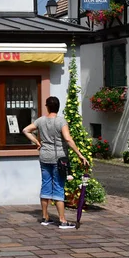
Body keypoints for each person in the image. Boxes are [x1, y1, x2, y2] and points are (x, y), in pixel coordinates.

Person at [22, 96, 89, 229]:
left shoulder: (41, 120)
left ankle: (45, 217)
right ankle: (63, 220)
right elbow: (68, 139)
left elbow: (25, 130)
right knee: (58, 186)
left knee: (46, 184)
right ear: (58, 107)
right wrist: (80, 154)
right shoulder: (60, 121)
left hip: (44, 157)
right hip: (59, 158)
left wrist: (37, 142)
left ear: (47, 106)